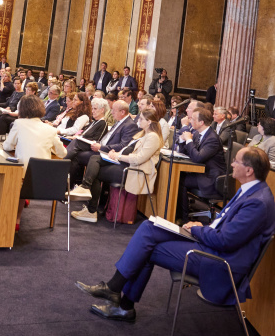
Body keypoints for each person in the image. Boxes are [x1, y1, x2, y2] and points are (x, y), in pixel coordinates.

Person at [76, 147, 275, 322]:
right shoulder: (252, 191)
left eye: (236, 161)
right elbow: (226, 226)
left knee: (147, 249)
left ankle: (122, 303)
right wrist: (203, 225)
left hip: (220, 261)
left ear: (249, 170)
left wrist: (198, 230)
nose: (231, 164)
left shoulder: (257, 202)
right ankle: (115, 292)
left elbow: (225, 241)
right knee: (149, 227)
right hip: (212, 244)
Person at [71, 107, 163, 223]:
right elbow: (128, 150)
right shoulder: (143, 134)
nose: (138, 121)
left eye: (141, 119)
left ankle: (90, 207)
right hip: (124, 163)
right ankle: (86, 192)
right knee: (94, 159)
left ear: (149, 122)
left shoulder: (153, 137)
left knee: (95, 172)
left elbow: (138, 159)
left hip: (132, 170)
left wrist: (118, 156)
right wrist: (116, 154)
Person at [3, 94, 67, 230]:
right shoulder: (51, 130)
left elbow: (7, 146)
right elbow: (63, 153)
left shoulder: (19, 124)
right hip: (45, 180)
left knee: (19, 175)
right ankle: (22, 206)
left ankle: (16, 218)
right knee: (25, 177)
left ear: (22, 109)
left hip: (22, 177)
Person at [178, 107, 226, 221]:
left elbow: (197, 158)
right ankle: (177, 213)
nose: (190, 121)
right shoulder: (197, 134)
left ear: (201, 122)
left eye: (193, 119)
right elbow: (186, 152)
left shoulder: (212, 139)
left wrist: (189, 140)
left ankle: (183, 218)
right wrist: (182, 140)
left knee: (180, 180)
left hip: (211, 178)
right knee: (177, 176)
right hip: (201, 172)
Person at [65, 97, 109, 185]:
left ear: (102, 110)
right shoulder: (93, 122)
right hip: (82, 143)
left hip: (90, 146)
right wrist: (77, 136)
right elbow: (83, 133)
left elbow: (97, 140)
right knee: (71, 149)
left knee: (76, 142)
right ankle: (68, 185)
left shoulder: (103, 123)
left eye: (95, 109)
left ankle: (62, 160)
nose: (92, 111)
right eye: (92, 109)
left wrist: (79, 138)